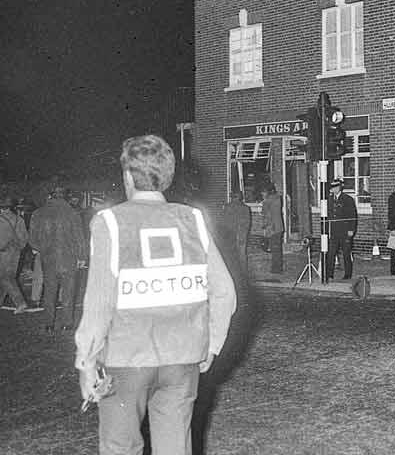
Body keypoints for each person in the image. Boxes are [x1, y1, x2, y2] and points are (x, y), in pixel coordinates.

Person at [74, 135, 236, 454]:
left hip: (126, 361)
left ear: (126, 177)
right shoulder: (193, 219)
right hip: (183, 360)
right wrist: (212, 345)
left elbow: (99, 302)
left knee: (120, 447)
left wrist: (86, 361)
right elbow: (225, 292)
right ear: (167, 176)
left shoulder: (110, 221)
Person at [29, 186, 86, 331]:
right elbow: (80, 238)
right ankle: (67, 323)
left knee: (49, 290)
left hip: (48, 258)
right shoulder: (73, 213)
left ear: (50, 196)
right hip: (69, 258)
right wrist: (82, 257)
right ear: (65, 196)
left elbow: (32, 240)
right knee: (68, 291)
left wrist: (40, 249)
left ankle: (49, 323)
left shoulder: (38, 213)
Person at [0, 196, 34, 314]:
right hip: (16, 253)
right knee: (6, 277)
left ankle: (20, 303)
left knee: (6, 278)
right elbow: (25, 237)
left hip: (3, 253)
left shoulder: (1, 220)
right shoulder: (19, 219)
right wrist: (19, 248)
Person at [325, 179, 358, 280]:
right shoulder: (329, 200)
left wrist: (351, 230)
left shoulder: (347, 199)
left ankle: (347, 274)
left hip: (345, 231)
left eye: (335, 187)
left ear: (339, 188)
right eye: (332, 187)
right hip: (334, 231)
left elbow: (353, 216)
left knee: (346, 254)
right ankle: (329, 274)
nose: (333, 189)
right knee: (331, 253)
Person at [219, 190, 252, 270]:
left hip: (230, 235)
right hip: (241, 235)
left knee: (231, 255)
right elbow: (247, 224)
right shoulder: (245, 208)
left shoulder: (227, 207)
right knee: (241, 255)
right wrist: (243, 235)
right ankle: (243, 272)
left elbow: (223, 222)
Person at [261, 184, 284, 274]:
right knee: (277, 249)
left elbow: (267, 216)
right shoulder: (278, 199)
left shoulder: (267, 202)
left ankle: (275, 269)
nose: (262, 194)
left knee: (274, 249)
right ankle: (278, 267)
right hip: (279, 227)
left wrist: (264, 225)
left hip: (272, 228)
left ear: (268, 192)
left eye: (263, 192)